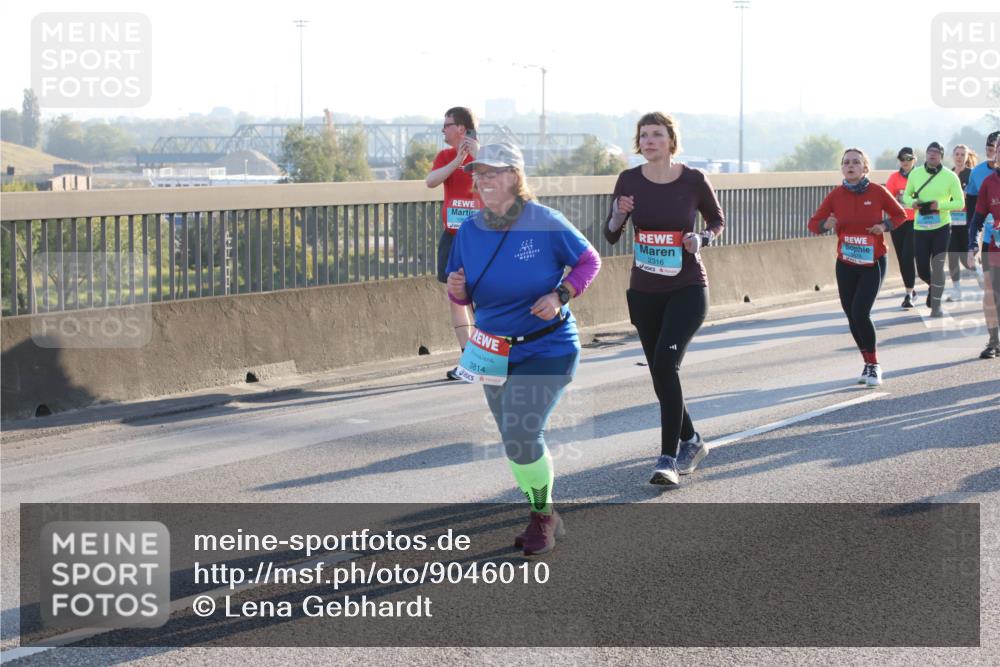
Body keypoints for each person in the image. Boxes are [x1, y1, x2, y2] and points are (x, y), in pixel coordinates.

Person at [446, 141, 601, 555]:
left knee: (522, 430)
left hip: (547, 347)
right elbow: (462, 292)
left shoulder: (544, 221)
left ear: (515, 176)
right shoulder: (470, 230)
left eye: (493, 173)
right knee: (515, 440)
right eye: (478, 174)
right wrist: (458, 292)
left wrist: (561, 295)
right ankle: (546, 506)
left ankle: (542, 518)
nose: (483, 181)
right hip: (492, 349)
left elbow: (590, 261)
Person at [604, 112, 725, 487]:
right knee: (660, 370)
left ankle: (668, 458)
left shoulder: (693, 179)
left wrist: (700, 239)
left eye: (657, 135)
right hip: (644, 290)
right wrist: (617, 215)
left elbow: (717, 222)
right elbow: (611, 235)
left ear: (671, 140)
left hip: (687, 286)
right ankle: (692, 440)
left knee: (666, 363)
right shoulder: (628, 180)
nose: (650, 141)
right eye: (644, 136)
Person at [808, 148, 907, 386]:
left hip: (873, 262)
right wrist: (825, 223)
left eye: (856, 162)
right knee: (851, 315)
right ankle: (867, 361)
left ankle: (874, 366)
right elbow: (813, 224)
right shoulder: (835, 196)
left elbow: (900, 215)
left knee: (861, 312)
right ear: (842, 168)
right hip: (846, 263)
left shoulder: (878, 191)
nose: (850, 166)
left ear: (865, 168)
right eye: (846, 163)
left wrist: (883, 226)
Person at [426, 107, 481, 380]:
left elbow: (507, 180)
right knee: (455, 295)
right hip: (453, 236)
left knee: (482, 297)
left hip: (481, 236)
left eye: (446, 125)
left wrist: (475, 155)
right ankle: (467, 357)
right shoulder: (445, 156)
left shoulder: (486, 155)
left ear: (461, 128)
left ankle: (489, 356)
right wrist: (456, 161)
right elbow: (431, 182)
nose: (442, 130)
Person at [903, 141, 965, 317]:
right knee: (922, 269)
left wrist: (940, 205)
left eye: (936, 152)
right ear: (926, 154)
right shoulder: (915, 174)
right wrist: (912, 203)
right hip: (920, 228)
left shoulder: (950, 176)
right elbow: (906, 195)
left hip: (941, 227)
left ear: (941, 157)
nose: (932, 154)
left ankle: (936, 305)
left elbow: (960, 203)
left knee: (937, 266)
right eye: (930, 151)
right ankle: (933, 285)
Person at [966, 130, 1000, 358]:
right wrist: (972, 246)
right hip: (994, 246)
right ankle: (994, 342)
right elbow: (977, 220)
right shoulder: (988, 183)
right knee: (991, 294)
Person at [885, 147, 919, 309]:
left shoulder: (921, 177)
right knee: (901, 258)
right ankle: (910, 290)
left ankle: (908, 293)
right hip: (898, 223)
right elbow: (887, 200)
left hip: (916, 222)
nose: (905, 162)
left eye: (909, 159)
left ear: (915, 160)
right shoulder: (894, 178)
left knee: (907, 256)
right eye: (902, 159)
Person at [946, 144, 977, 302]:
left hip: (967, 222)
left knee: (967, 259)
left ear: (967, 156)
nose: (959, 157)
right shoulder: (948, 174)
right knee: (952, 256)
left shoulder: (972, 174)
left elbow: (978, 195)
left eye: (962, 154)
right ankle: (957, 290)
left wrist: (966, 195)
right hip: (950, 222)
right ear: (953, 156)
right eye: (956, 154)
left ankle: (982, 278)